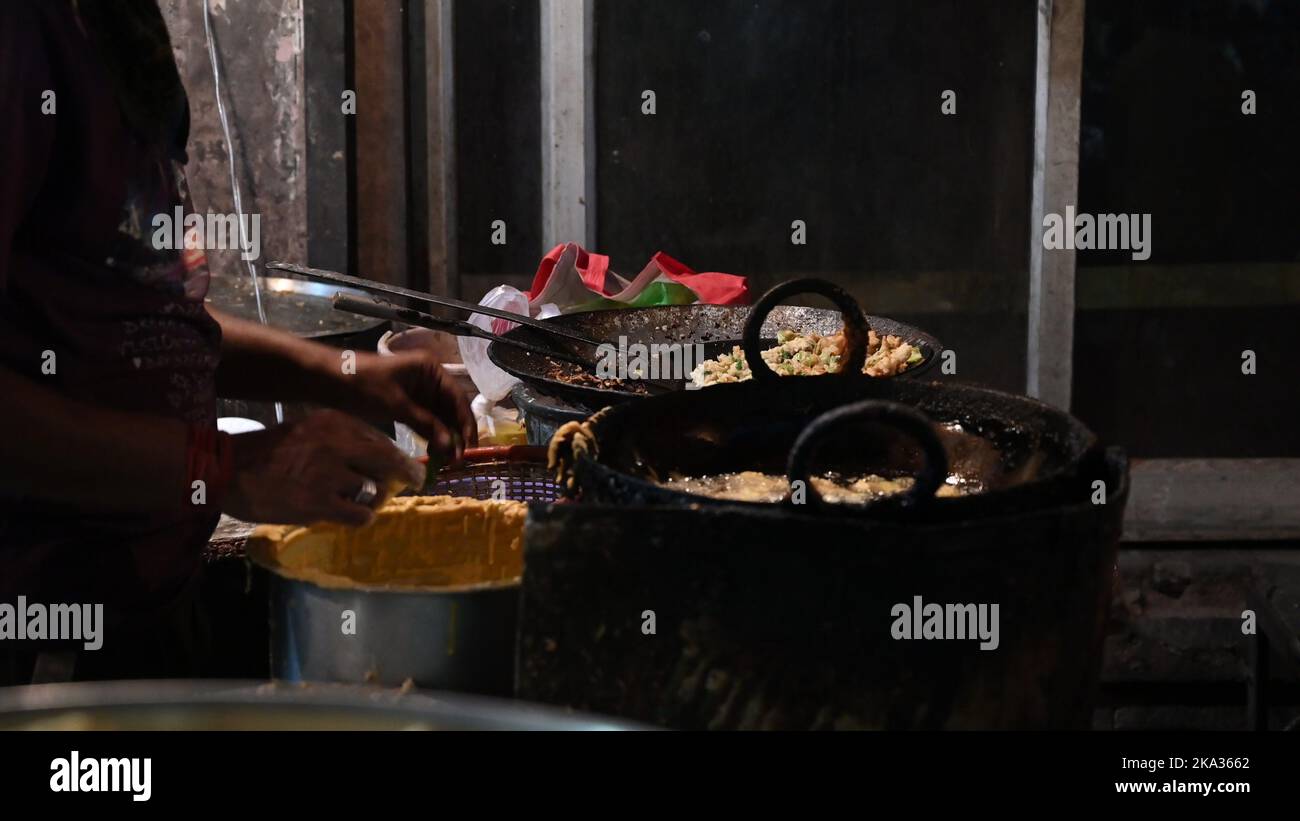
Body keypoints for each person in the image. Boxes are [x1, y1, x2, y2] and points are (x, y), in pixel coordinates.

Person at [0, 1, 475, 683]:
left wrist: (344, 372)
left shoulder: (114, 27)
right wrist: (223, 466)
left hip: (148, 610)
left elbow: (141, 320)